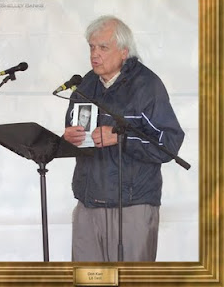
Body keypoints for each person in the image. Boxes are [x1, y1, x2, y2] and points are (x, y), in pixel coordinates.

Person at [63, 15, 185, 262]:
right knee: (89, 279)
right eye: (92, 47)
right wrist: (69, 137)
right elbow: (77, 133)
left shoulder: (147, 86)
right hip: (88, 203)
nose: (95, 54)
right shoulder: (85, 85)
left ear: (123, 52)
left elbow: (169, 144)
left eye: (103, 47)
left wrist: (120, 139)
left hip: (131, 205)